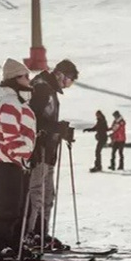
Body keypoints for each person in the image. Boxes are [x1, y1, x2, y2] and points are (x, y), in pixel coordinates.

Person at [0, 59, 38, 260]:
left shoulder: (18, 101)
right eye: (25, 76)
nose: (29, 80)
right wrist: (20, 157)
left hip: (14, 162)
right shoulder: (9, 103)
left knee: (18, 207)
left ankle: (13, 243)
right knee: (7, 207)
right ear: (15, 79)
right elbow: (11, 136)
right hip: (5, 163)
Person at [26, 59, 79, 250]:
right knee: (37, 193)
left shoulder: (47, 88)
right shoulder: (41, 88)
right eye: (69, 80)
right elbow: (34, 121)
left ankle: (41, 233)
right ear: (60, 74)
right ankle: (29, 235)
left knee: (48, 194)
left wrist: (61, 131)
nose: (68, 85)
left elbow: (46, 121)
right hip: (38, 149)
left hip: (48, 151)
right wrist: (57, 128)